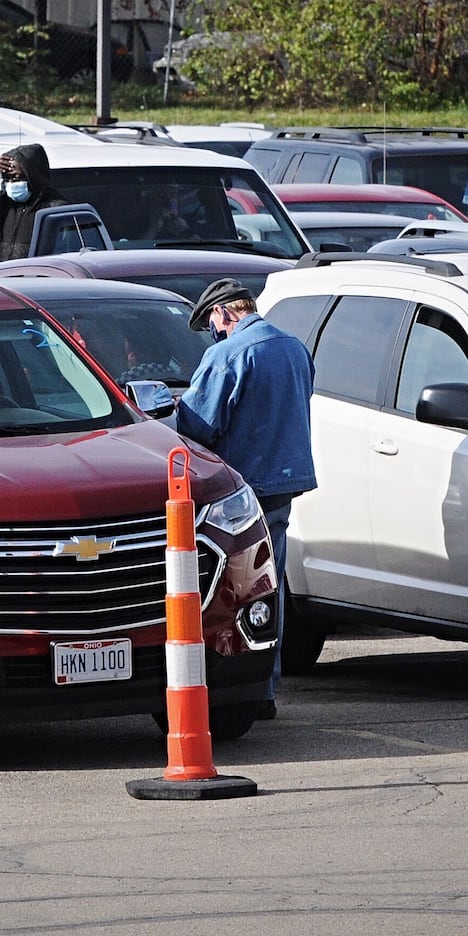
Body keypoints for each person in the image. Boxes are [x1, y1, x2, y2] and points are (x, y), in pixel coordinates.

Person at [176, 278, 316, 719]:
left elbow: (196, 427)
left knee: (235, 588)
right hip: (285, 481)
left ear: (222, 313)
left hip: (242, 490)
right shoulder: (293, 347)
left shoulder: (227, 354)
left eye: (212, 324)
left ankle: (245, 686)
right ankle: (267, 686)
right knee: (269, 583)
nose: (213, 333)